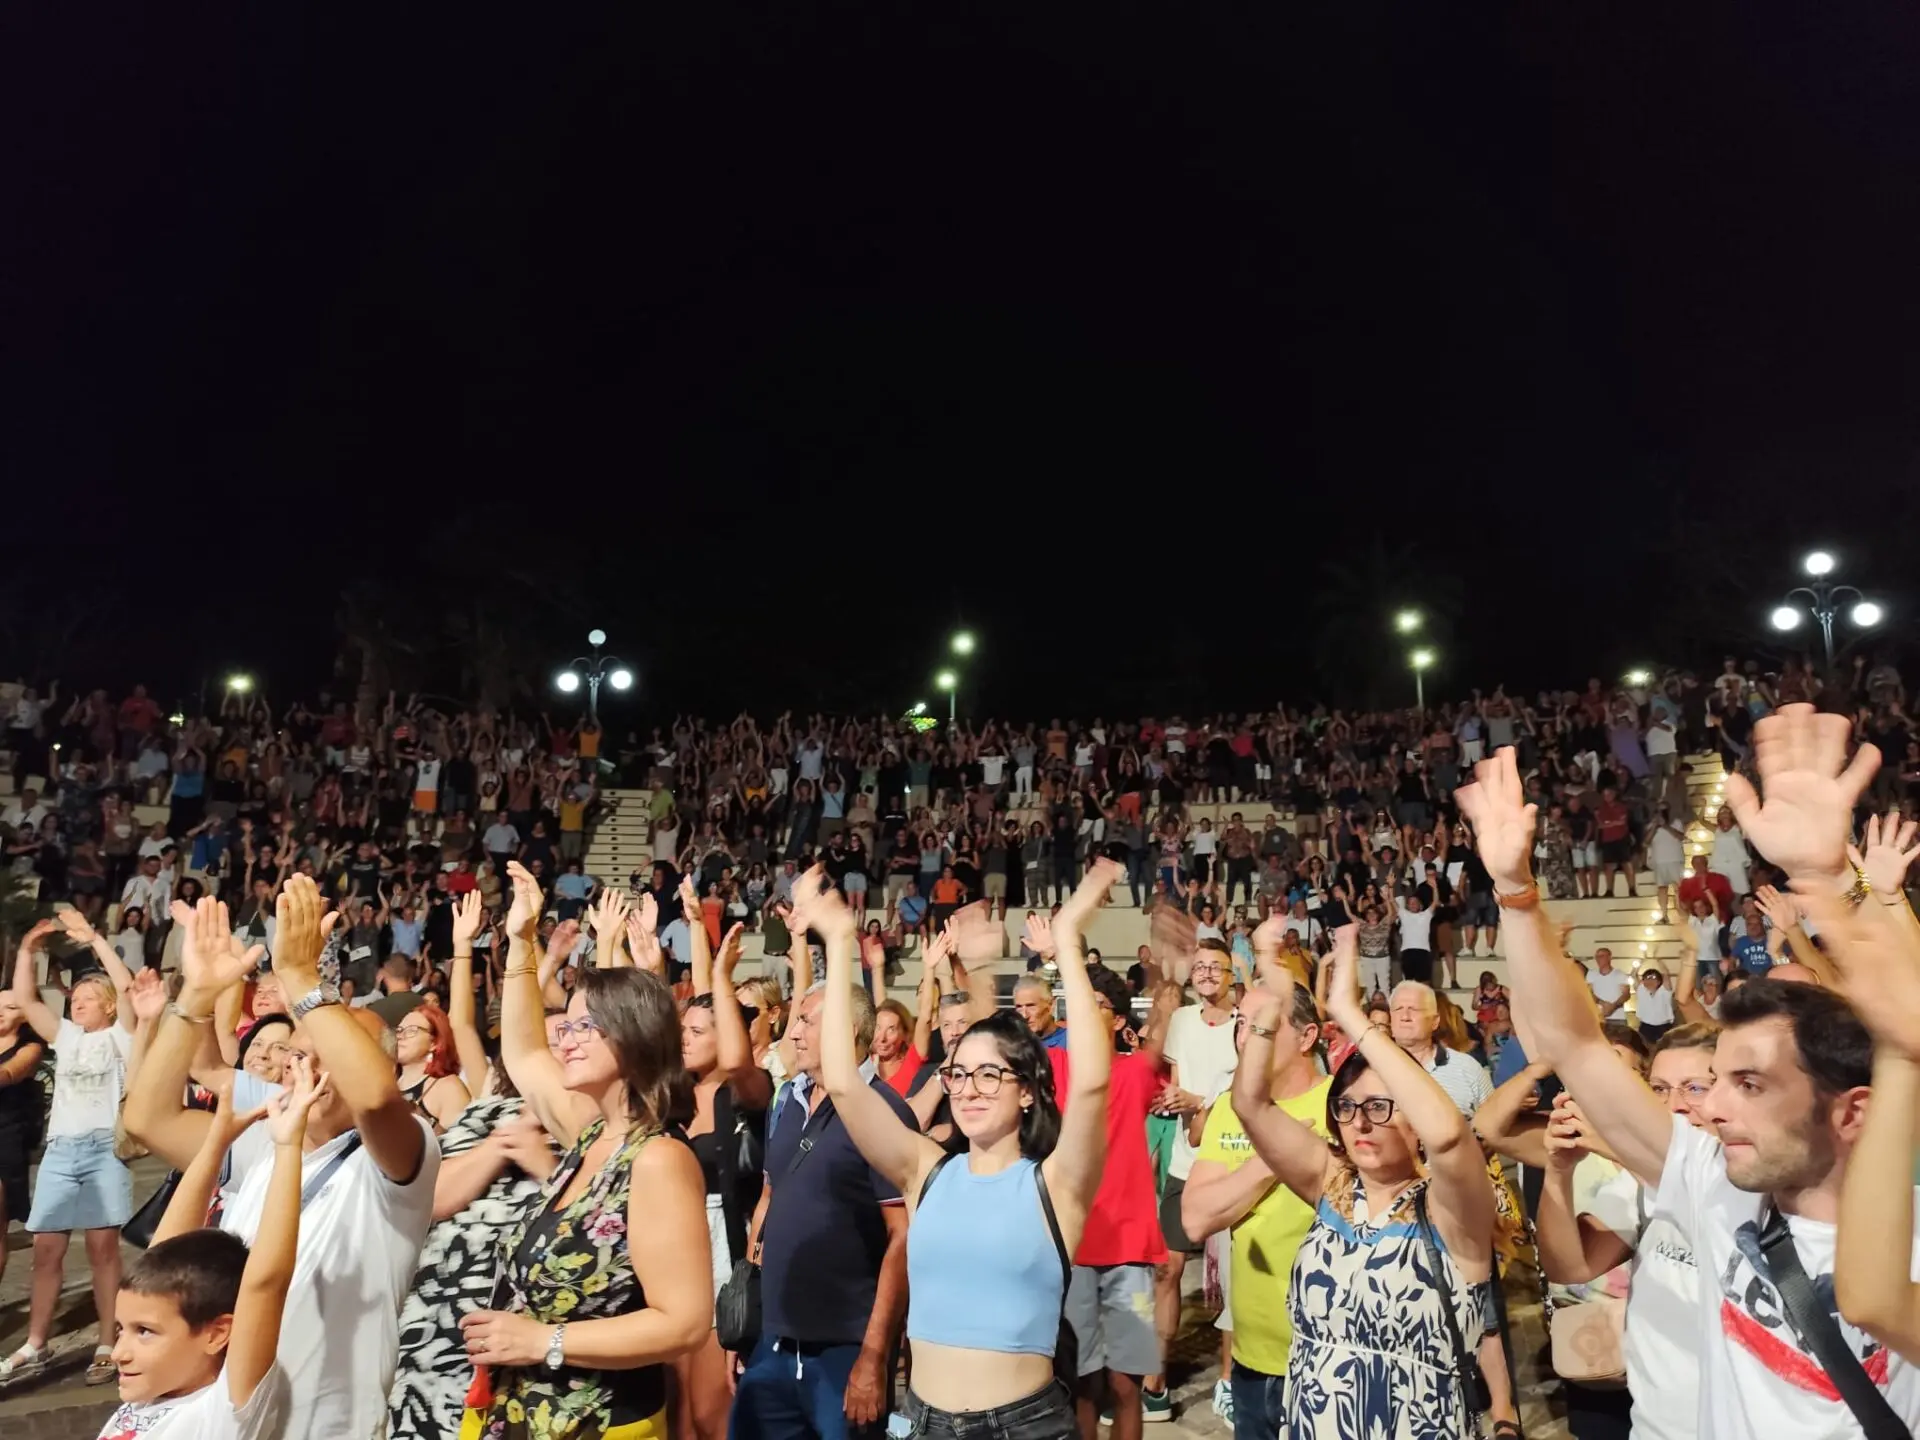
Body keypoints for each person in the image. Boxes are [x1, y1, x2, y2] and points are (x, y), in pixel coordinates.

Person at [1457, 721, 1920, 1437]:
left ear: (1850, 1112)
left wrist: (1830, 884)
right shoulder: (1713, 1184)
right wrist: (1516, 894)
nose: (1714, 1106)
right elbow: (1572, 1042)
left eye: (1752, 1084)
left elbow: (1876, 1300)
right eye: (1720, 1077)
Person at [810, 856, 1112, 1440]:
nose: (968, 1090)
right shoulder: (926, 1170)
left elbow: (1094, 1082)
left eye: (989, 1076)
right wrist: (841, 938)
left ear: (1026, 1091)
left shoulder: (1055, 1184)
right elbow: (844, 1082)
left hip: (1025, 1427)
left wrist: (1067, 945)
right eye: (958, 1075)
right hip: (924, 1422)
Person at [124, 884, 442, 1439]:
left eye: (327, 1055)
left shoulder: (396, 1156)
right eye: (298, 1053)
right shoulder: (273, 1135)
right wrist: (195, 997)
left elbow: (370, 1096)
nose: (305, 1068)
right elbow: (147, 1118)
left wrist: (300, 980)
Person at [464, 861, 711, 1438]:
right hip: (525, 1414)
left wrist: (540, 1340)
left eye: (582, 1028)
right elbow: (523, 1054)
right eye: (566, 1027)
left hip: (599, 1423)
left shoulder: (657, 1159)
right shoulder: (592, 1137)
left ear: (630, 1036)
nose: (565, 1041)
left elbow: (686, 1324)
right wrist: (522, 941)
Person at [1231, 923, 1496, 1438]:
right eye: (1347, 1108)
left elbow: (1446, 1137)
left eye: (1379, 1105)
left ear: (1415, 1118)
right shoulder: (1333, 1187)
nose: (1361, 1121)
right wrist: (1268, 1008)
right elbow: (1250, 1103)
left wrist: (1350, 1015)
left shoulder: (1451, 1207)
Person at [732, 890, 915, 1440]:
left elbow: (902, 1238)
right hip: (772, 1344)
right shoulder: (786, 1102)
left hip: (845, 1349)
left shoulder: (884, 1111)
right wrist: (747, 1322)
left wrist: (875, 1356)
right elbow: (768, 1202)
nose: (793, 1032)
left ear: (849, 1033)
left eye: (809, 1022)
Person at [98, 1051, 328, 1440]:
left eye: (145, 1332)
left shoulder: (223, 1410)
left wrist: (287, 1147)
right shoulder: (150, 1392)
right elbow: (162, 1254)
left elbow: (265, 1283)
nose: (119, 1351)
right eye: (121, 1330)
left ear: (216, 1334)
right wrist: (215, 1144)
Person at [1531, 1024, 1716, 1440]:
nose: (1676, 1106)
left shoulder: (1757, 1185)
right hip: (1655, 1425)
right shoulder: (1636, 1185)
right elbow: (1570, 1266)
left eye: (1695, 1088)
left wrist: (1615, 1141)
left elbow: (1702, 1197)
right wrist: (1559, 1172)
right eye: (1660, 1090)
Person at [1182, 968, 1328, 1440]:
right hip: (1251, 1360)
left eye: (1263, 1024)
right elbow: (1195, 1217)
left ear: (1307, 1036)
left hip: (1330, 1359)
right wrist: (1272, 1158)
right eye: (1242, 1023)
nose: (1246, 1038)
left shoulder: (1342, 1107)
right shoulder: (1228, 1107)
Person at [2, 915, 140, 1385]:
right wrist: (27, 947)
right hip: (61, 1151)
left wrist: (97, 941)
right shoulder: (66, 1037)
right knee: (45, 1251)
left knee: (103, 1251)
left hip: (104, 1150)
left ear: (106, 1007)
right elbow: (25, 1000)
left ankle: (106, 1340)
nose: (77, 1003)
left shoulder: (120, 1037)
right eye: (74, 998)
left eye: (86, 999)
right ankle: (35, 1345)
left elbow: (125, 988)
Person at [677, 915, 773, 1440]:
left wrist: (719, 976)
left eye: (697, 1032)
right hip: (672, 1246)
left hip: (723, 1249)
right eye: (683, 1030)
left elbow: (737, 1063)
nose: (684, 1040)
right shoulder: (671, 1096)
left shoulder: (744, 1094)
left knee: (711, 1413)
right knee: (679, 1413)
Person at [394, 1003, 473, 1131]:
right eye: (399, 1030)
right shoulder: (389, 1083)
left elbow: (458, 1145)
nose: (400, 1036)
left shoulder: (448, 1088)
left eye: (411, 1030)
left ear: (434, 1043)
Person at [1635, 967, 1676, 1045]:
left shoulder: (1665, 991)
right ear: (1643, 981)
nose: (1650, 980)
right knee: (1646, 1050)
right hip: (1646, 1027)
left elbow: (1666, 974)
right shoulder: (1641, 990)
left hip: (1664, 1027)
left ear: (1659, 981)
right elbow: (1634, 975)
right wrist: (1638, 966)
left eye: (1653, 978)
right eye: (1647, 978)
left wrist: (1659, 962)